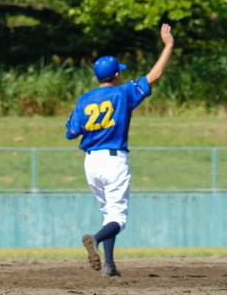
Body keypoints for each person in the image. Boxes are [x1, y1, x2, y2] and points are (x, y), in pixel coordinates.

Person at [66, 24, 174, 277]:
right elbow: (154, 76)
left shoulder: (84, 99)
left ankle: (109, 265)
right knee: (118, 218)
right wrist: (168, 45)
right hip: (113, 160)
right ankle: (95, 239)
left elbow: (71, 132)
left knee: (109, 213)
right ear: (116, 75)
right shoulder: (123, 93)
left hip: (91, 163)